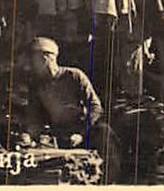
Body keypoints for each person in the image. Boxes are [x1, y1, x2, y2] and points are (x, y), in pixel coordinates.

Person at [20, 36, 121, 177]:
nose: (30, 65)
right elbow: (34, 118)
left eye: (33, 60)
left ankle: (109, 182)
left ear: (45, 59)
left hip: (85, 130)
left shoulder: (74, 76)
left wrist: (81, 133)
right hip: (59, 134)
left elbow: (95, 107)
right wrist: (29, 135)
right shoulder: (36, 85)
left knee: (104, 132)